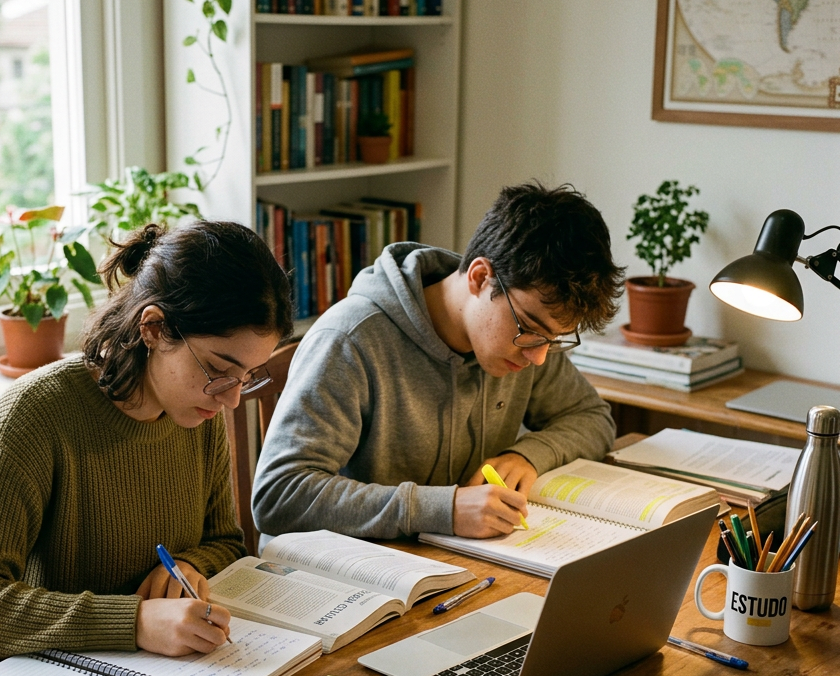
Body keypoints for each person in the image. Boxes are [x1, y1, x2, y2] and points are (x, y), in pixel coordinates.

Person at [0, 219, 292, 666]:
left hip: (149, 674)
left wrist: (188, 570)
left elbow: (225, 543)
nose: (232, 399)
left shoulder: (198, 410)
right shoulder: (37, 413)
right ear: (154, 329)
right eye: (219, 369)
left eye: (247, 378)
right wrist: (133, 621)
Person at [252, 182, 623, 541]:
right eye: (530, 329)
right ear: (480, 277)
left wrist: (527, 455)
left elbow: (592, 418)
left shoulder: (524, 338)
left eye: (554, 340)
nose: (539, 357)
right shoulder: (350, 340)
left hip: (454, 563)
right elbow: (278, 496)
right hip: (352, 577)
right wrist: (443, 509)